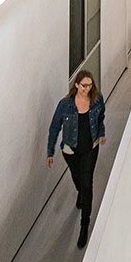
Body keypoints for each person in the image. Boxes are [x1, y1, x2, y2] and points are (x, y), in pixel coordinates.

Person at [47, 69, 106, 248]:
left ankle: (84, 225)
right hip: (70, 150)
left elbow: (101, 117)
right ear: (77, 85)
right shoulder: (65, 105)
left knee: (87, 184)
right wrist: (50, 152)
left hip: (90, 148)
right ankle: (80, 191)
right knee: (78, 178)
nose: (87, 88)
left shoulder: (97, 99)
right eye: (84, 85)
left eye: (90, 85)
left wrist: (101, 133)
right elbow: (54, 127)